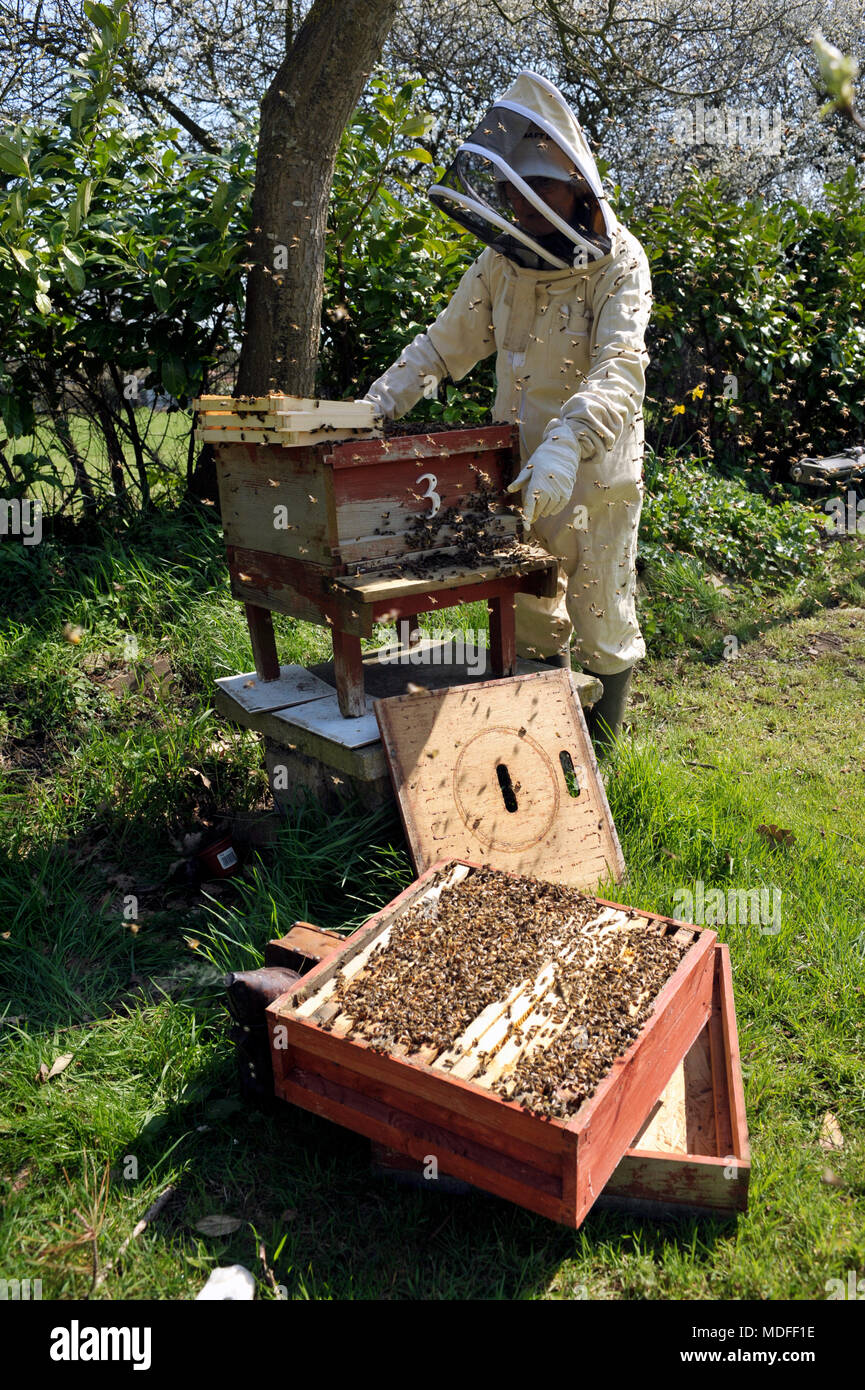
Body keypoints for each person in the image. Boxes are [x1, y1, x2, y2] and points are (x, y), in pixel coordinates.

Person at [363, 70, 653, 747]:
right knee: (525, 614)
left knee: (600, 614)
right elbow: (442, 346)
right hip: (513, 468)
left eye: (538, 189)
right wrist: (375, 405)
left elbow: (620, 366)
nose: (521, 206)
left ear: (577, 189)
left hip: (593, 475)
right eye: (512, 192)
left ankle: (604, 767)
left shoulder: (620, 262)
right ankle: (544, 750)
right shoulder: (500, 263)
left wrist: (566, 441)